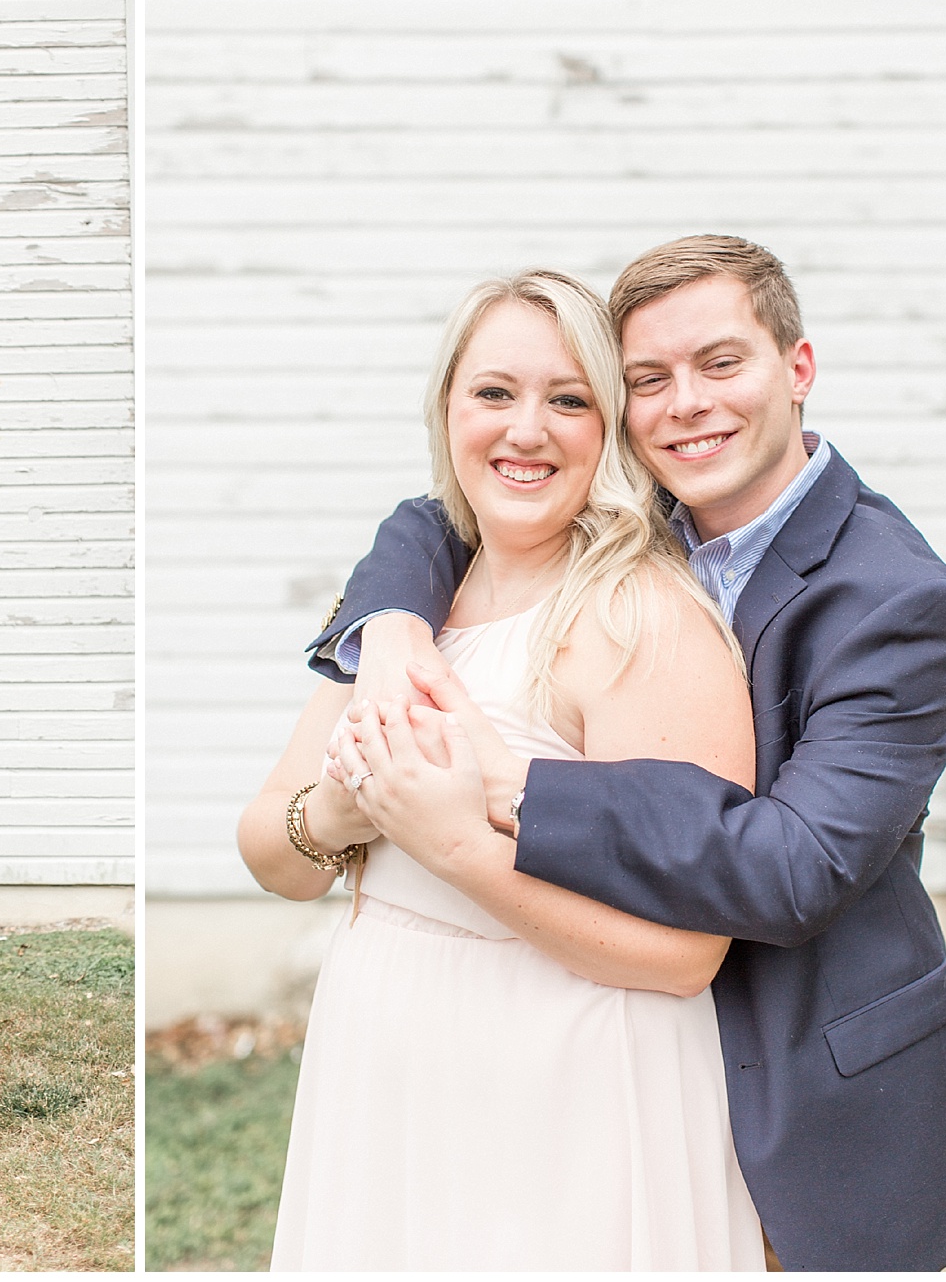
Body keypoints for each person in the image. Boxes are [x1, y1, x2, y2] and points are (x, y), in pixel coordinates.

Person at [311, 235, 946, 1271]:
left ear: (797, 369)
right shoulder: (643, 515)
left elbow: (796, 866)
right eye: (648, 379)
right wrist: (393, 625)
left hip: (811, 1085)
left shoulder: (902, 603)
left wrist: (518, 785)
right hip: (611, 1057)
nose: (687, 403)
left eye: (722, 363)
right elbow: (439, 515)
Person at [240, 269, 765, 1270]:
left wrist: (456, 849)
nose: (528, 429)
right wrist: (341, 813)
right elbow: (272, 848)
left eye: (569, 399)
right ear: (447, 408)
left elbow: (689, 955)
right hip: (387, 1054)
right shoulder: (408, 608)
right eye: (495, 392)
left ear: (611, 427)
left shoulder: (639, 617)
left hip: (562, 1079)